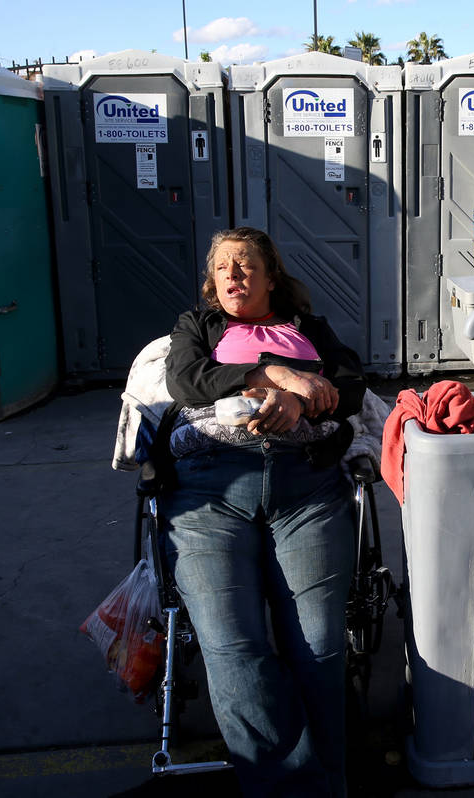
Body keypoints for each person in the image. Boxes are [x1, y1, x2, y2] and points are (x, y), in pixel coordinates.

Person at [160, 227, 365, 796]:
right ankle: (298, 788)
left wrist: (298, 398)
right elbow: (185, 381)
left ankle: (331, 782)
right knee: (233, 646)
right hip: (212, 487)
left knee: (320, 647)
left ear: (271, 276)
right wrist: (271, 374)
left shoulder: (310, 329)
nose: (233, 275)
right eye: (223, 266)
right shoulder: (197, 328)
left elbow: (349, 384)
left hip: (306, 487)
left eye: (247, 264)